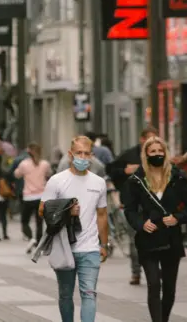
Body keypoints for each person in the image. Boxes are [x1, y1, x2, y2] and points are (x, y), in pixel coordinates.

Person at [123, 135, 187, 322]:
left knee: (170, 288)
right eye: (152, 151)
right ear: (146, 154)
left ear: (165, 153)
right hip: (148, 238)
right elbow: (130, 209)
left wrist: (178, 218)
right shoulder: (137, 179)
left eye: (160, 151)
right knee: (154, 284)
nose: (157, 154)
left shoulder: (176, 176)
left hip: (171, 238)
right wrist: (140, 224)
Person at [40, 135, 109, 322]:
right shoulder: (57, 180)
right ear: (70, 155)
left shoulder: (98, 183)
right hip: (64, 248)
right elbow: (42, 210)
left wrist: (104, 244)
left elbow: (102, 215)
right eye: (79, 153)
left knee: (89, 293)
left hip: (90, 248)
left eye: (86, 154)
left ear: (92, 156)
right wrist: (66, 211)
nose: (82, 157)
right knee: (65, 295)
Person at [106, 126, 159, 285]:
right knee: (136, 238)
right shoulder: (130, 155)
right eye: (150, 139)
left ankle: (154, 270)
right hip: (134, 204)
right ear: (142, 139)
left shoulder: (159, 155)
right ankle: (136, 272)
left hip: (155, 204)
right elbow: (111, 169)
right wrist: (125, 170)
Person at [15, 142, 52, 250]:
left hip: (28, 197)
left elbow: (16, 174)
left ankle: (31, 238)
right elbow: (49, 174)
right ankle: (38, 244)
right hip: (41, 197)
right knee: (39, 222)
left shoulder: (24, 164)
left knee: (24, 221)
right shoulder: (45, 164)